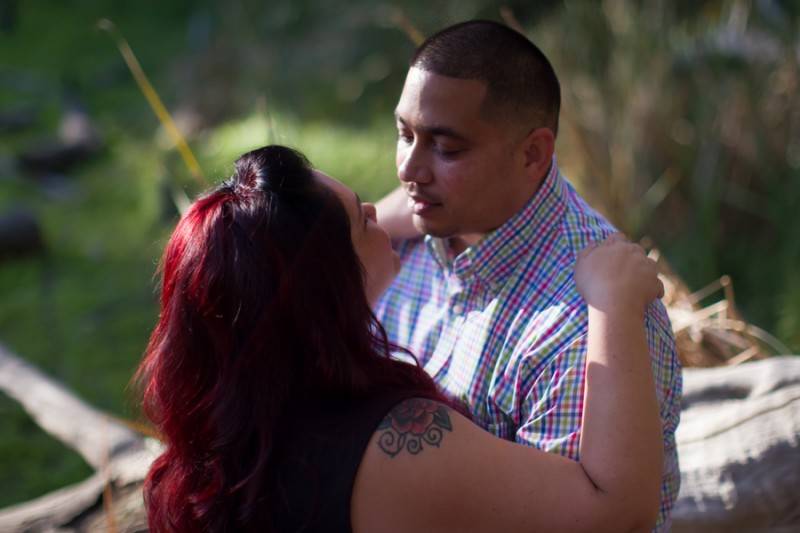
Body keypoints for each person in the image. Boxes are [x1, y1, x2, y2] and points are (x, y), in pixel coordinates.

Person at [135, 145, 665, 532]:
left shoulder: (231, 429)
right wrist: (611, 302)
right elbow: (615, 510)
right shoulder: (402, 446)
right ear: (325, 284)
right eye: (357, 215)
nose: (377, 212)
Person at [374, 20, 682, 530]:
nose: (409, 168)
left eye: (446, 148)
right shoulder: (401, 238)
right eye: (404, 134)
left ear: (533, 153)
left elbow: (601, 518)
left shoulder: (594, 322)